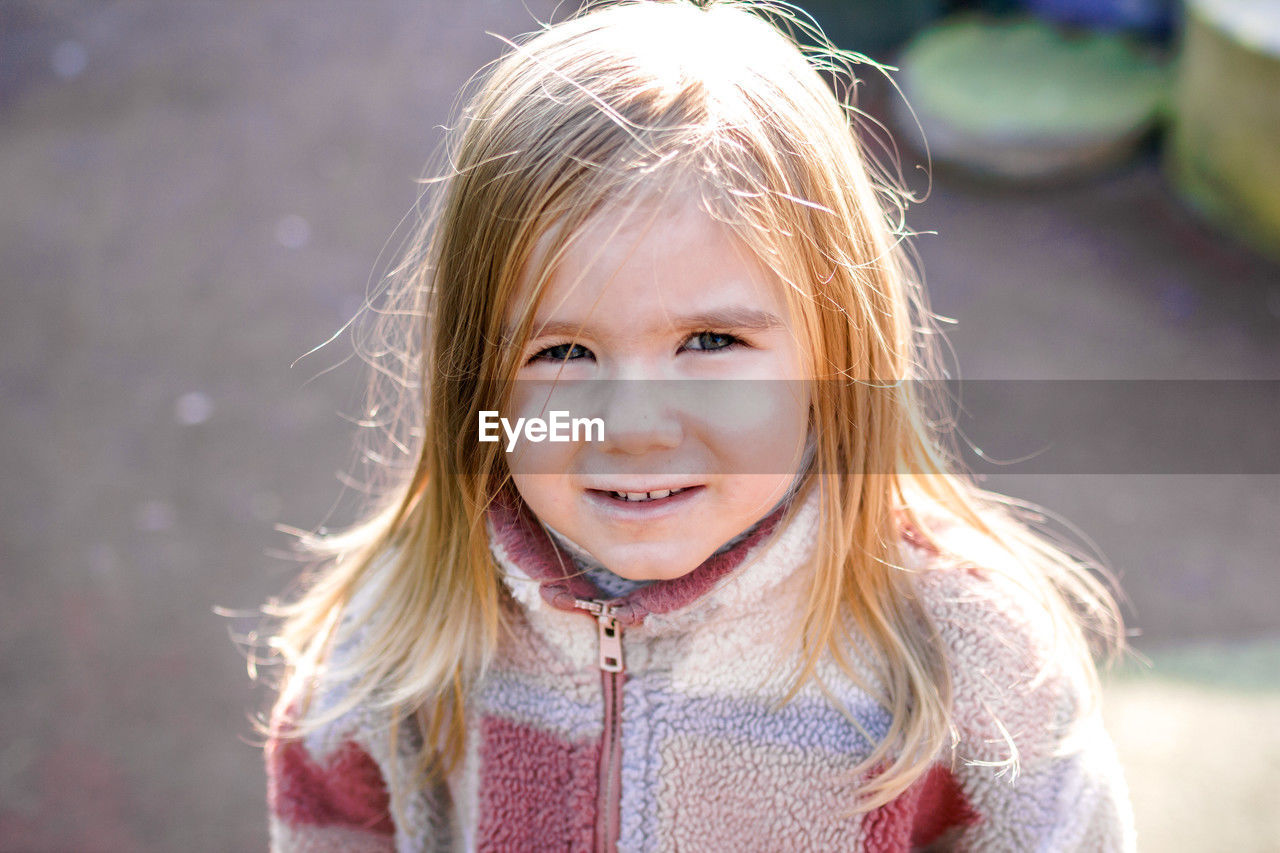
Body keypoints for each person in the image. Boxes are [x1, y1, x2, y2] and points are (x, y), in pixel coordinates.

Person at [258, 1, 1135, 849]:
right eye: (561, 353)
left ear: (838, 354)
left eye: (711, 341)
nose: (635, 426)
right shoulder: (398, 635)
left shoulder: (970, 656)